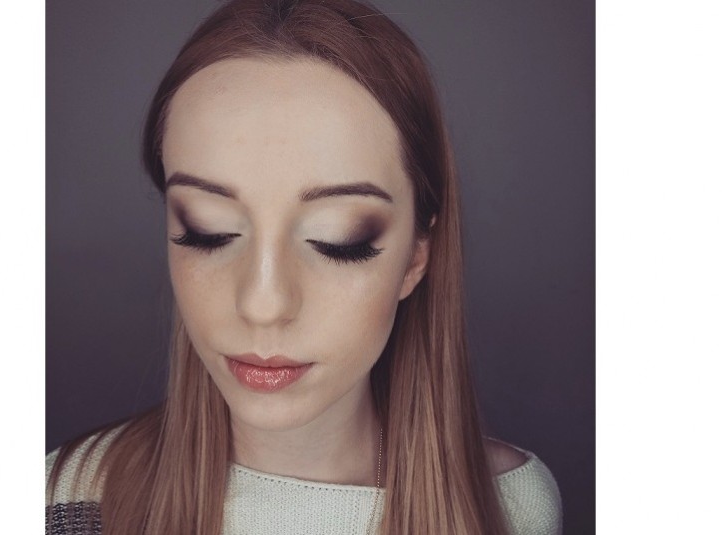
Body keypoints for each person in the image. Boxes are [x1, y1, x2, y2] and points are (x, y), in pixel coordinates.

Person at [46, 0, 562, 533]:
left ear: (416, 254)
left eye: (336, 240)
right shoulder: (67, 506)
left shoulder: (513, 509)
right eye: (208, 230)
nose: (263, 303)